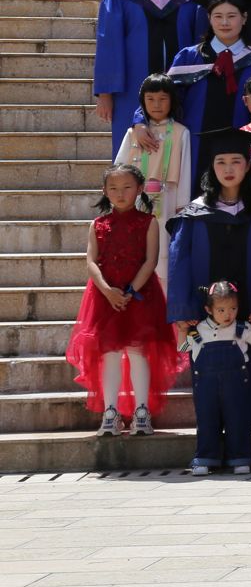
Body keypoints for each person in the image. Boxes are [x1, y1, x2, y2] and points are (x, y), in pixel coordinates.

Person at [167, 128, 251, 438]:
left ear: (248, 165)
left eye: (236, 161)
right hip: (205, 310)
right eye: (221, 162)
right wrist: (182, 310)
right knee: (208, 373)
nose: (228, 169)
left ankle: (244, 438)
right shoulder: (195, 213)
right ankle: (211, 439)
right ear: (211, 167)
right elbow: (179, 263)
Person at [68, 163, 179, 437]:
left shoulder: (149, 222)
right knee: (110, 354)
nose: (120, 193)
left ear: (139, 189)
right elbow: (91, 261)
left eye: (127, 187)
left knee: (139, 352)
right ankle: (110, 412)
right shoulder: (98, 224)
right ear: (104, 191)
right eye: (114, 188)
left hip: (141, 297)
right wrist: (108, 291)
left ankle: (142, 412)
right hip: (104, 298)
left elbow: (150, 261)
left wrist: (130, 291)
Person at [95, 0, 200, 157]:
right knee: (131, 157)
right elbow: (109, 44)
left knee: (180, 155)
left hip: (181, 89)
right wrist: (105, 94)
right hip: (131, 90)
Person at [165, 0, 251, 143]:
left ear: (244, 18)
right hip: (193, 144)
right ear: (209, 18)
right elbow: (163, 95)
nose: (224, 22)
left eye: (231, 16)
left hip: (243, 146)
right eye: (218, 16)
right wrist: (140, 121)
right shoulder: (188, 57)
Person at [181, 281, 251, 474]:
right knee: (207, 420)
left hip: (236, 384)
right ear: (208, 309)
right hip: (206, 385)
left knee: (237, 419)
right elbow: (183, 347)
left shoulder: (241, 328)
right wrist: (181, 330)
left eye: (233, 308)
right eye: (221, 310)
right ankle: (204, 459)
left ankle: (240, 458)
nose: (228, 314)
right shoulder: (199, 329)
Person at [114, 74, 190, 249]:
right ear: (143, 101)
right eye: (150, 99)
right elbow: (119, 167)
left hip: (168, 197)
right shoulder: (133, 133)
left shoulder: (181, 132)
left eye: (163, 99)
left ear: (172, 100)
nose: (156, 105)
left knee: (162, 243)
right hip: (135, 197)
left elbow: (185, 171)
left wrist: (182, 205)